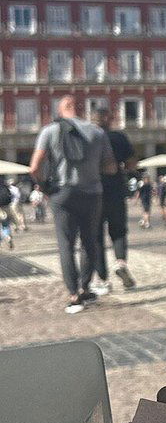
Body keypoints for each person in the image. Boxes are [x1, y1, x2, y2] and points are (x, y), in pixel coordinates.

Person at [30, 94, 117, 314]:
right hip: (92, 193)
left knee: (66, 244)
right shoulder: (97, 133)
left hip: (63, 193)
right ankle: (85, 286)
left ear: (61, 109)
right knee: (89, 242)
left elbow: (34, 167)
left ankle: (73, 294)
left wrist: (44, 186)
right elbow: (110, 167)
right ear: (80, 108)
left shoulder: (49, 131)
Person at [89, 106, 137, 293]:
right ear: (108, 119)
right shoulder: (119, 137)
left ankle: (102, 279)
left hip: (93, 191)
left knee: (97, 235)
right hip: (116, 188)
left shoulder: (88, 138)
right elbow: (133, 162)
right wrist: (123, 167)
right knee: (118, 230)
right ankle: (120, 262)